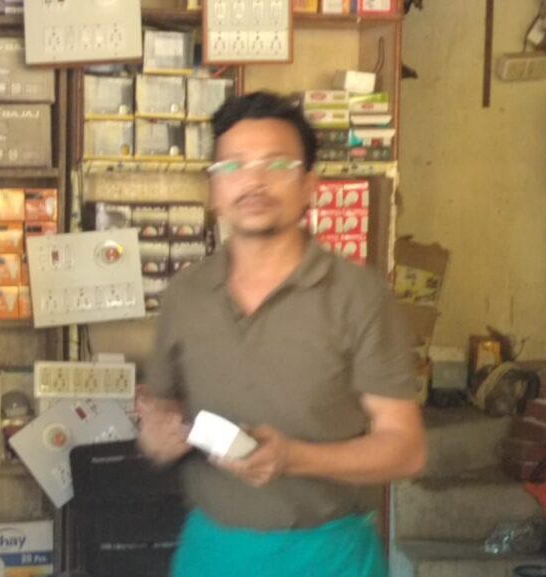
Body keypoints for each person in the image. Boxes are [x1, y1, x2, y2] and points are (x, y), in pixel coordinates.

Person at [138, 91, 427, 577]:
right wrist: (158, 437)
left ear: (310, 185)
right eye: (233, 166)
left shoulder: (359, 296)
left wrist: (294, 458)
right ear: (214, 190)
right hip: (212, 551)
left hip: (327, 555)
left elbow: (406, 450)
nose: (253, 181)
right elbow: (161, 413)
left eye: (276, 164)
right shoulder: (185, 295)